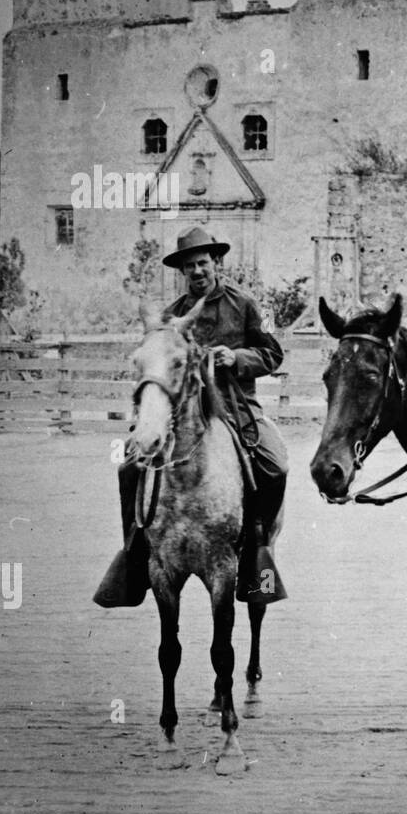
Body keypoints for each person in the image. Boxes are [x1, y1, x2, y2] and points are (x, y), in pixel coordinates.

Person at [93, 226, 289, 608]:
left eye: (202, 263)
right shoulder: (173, 315)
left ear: (216, 263)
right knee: (129, 468)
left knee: (276, 465)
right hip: (182, 415)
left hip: (236, 408)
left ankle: (258, 550)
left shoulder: (246, 304)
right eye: (189, 267)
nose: (197, 272)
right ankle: (135, 555)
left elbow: (273, 354)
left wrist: (237, 358)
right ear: (183, 272)